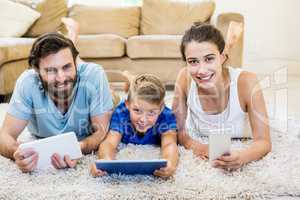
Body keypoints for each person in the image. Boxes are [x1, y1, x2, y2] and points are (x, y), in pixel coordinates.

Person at [0, 32, 114, 173]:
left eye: (67, 67)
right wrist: (17, 152)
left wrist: (80, 147)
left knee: (116, 100)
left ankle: (72, 35)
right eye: (50, 70)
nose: (61, 78)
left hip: (103, 95)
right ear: (37, 71)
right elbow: (4, 136)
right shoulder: (27, 82)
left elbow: (101, 132)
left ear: (75, 63)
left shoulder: (94, 75)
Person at [172, 22, 271, 171]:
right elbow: (178, 131)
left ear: (222, 57)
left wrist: (242, 157)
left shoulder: (247, 82)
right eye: (193, 61)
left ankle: (229, 42)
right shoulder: (184, 77)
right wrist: (199, 147)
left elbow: (264, 142)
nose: (201, 70)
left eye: (209, 59)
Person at [90, 74, 179, 178]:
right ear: (128, 105)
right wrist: (105, 161)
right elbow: (109, 142)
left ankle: (129, 79)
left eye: (151, 113)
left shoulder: (166, 115)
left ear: (161, 109)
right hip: (117, 102)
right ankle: (116, 88)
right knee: (111, 99)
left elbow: (169, 143)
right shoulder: (121, 112)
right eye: (137, 110)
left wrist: (170, 164)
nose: (143, 119)